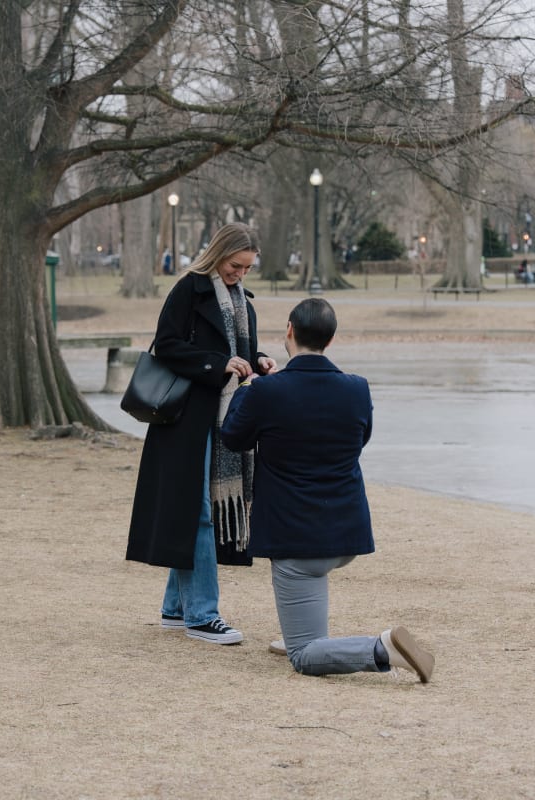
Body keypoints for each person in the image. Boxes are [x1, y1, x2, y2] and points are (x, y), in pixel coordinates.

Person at [221, 298, 435, 681]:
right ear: (331, 339)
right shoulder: (357, 388)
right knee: (306, 619)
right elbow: (360, 439)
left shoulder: (266, 392)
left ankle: (382, 648)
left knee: (304, 655)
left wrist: (248, 386)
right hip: (345, 530)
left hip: (294, 536)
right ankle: (303, 634)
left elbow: (233, 437)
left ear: (289, 330)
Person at [126, 223, 277, 645]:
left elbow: (240, 352)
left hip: (223, 417)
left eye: (247, 268)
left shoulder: (242, 301)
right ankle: (202, 615)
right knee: (198, 512)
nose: (240, 274)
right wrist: (216, 364)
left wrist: (258, 360)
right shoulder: (188, 289)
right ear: (219, 254)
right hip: (186, 420)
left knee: (195, 511)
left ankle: (176, 609)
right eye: (235, 265)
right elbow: (166, 345)